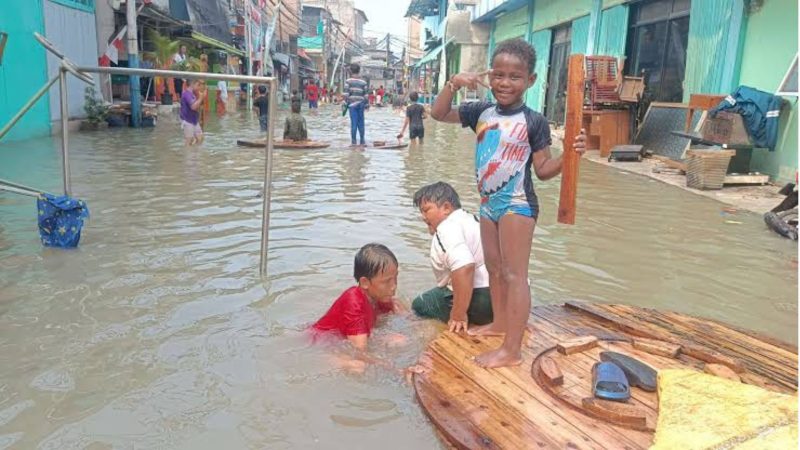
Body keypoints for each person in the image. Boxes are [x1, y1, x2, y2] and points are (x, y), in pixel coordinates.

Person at [429, 38, 586, 368]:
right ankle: (500, 324)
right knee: (495, 269)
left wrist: (570, 155)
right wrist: (454, 83)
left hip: (517, 204)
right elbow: (438, 113)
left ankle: (511, 350)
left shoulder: (534, 121)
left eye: (515, 77)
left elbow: (543, 171)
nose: (505, 83)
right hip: (488, 204)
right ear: (489, 76)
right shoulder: (480, 111)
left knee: (515, 275)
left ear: (530, 81)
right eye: (498, 74)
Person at [411, 182, 493, 332]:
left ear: (447, 208)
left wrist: (458, 315)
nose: (423, 217)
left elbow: (465, 266)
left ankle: (454, 327)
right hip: (503, 298)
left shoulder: (446, 228)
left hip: (484, 300)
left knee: (420, 305)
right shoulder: (471, 219)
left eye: (426, 210)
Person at [311, 243, 400, 350]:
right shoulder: (353, 302)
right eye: (386, 281)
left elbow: (406, 315)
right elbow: (359, 351)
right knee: (357, 365)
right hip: (321, 343)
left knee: (398, 340)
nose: (393, 286)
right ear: (365, 282)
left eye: (395, 278)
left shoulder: (379, 295)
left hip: (342, 338)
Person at [343, 63, 369, 146]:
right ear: (359, 71)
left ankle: (353, 142)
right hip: (361, 104)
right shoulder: (363, 82)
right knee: (361, 123)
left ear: (350, 71)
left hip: (352, 105)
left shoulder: (348, 81)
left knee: (353, 123)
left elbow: (346, 95)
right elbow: (366, 95)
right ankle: (362, 141)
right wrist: (367, 105)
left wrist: (345, 105)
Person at [180, 79, 206, 146]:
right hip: (188, 121)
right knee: (189, 141)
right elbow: (193, 107)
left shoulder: (192, 94)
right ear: (192, 84)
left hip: (194, 121)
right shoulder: (186, 94)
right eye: (197, 85)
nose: (198, 87)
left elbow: (196, 107)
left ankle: (195, 154)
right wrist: (200, 98)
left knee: (200, 138)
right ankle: (188, 155)